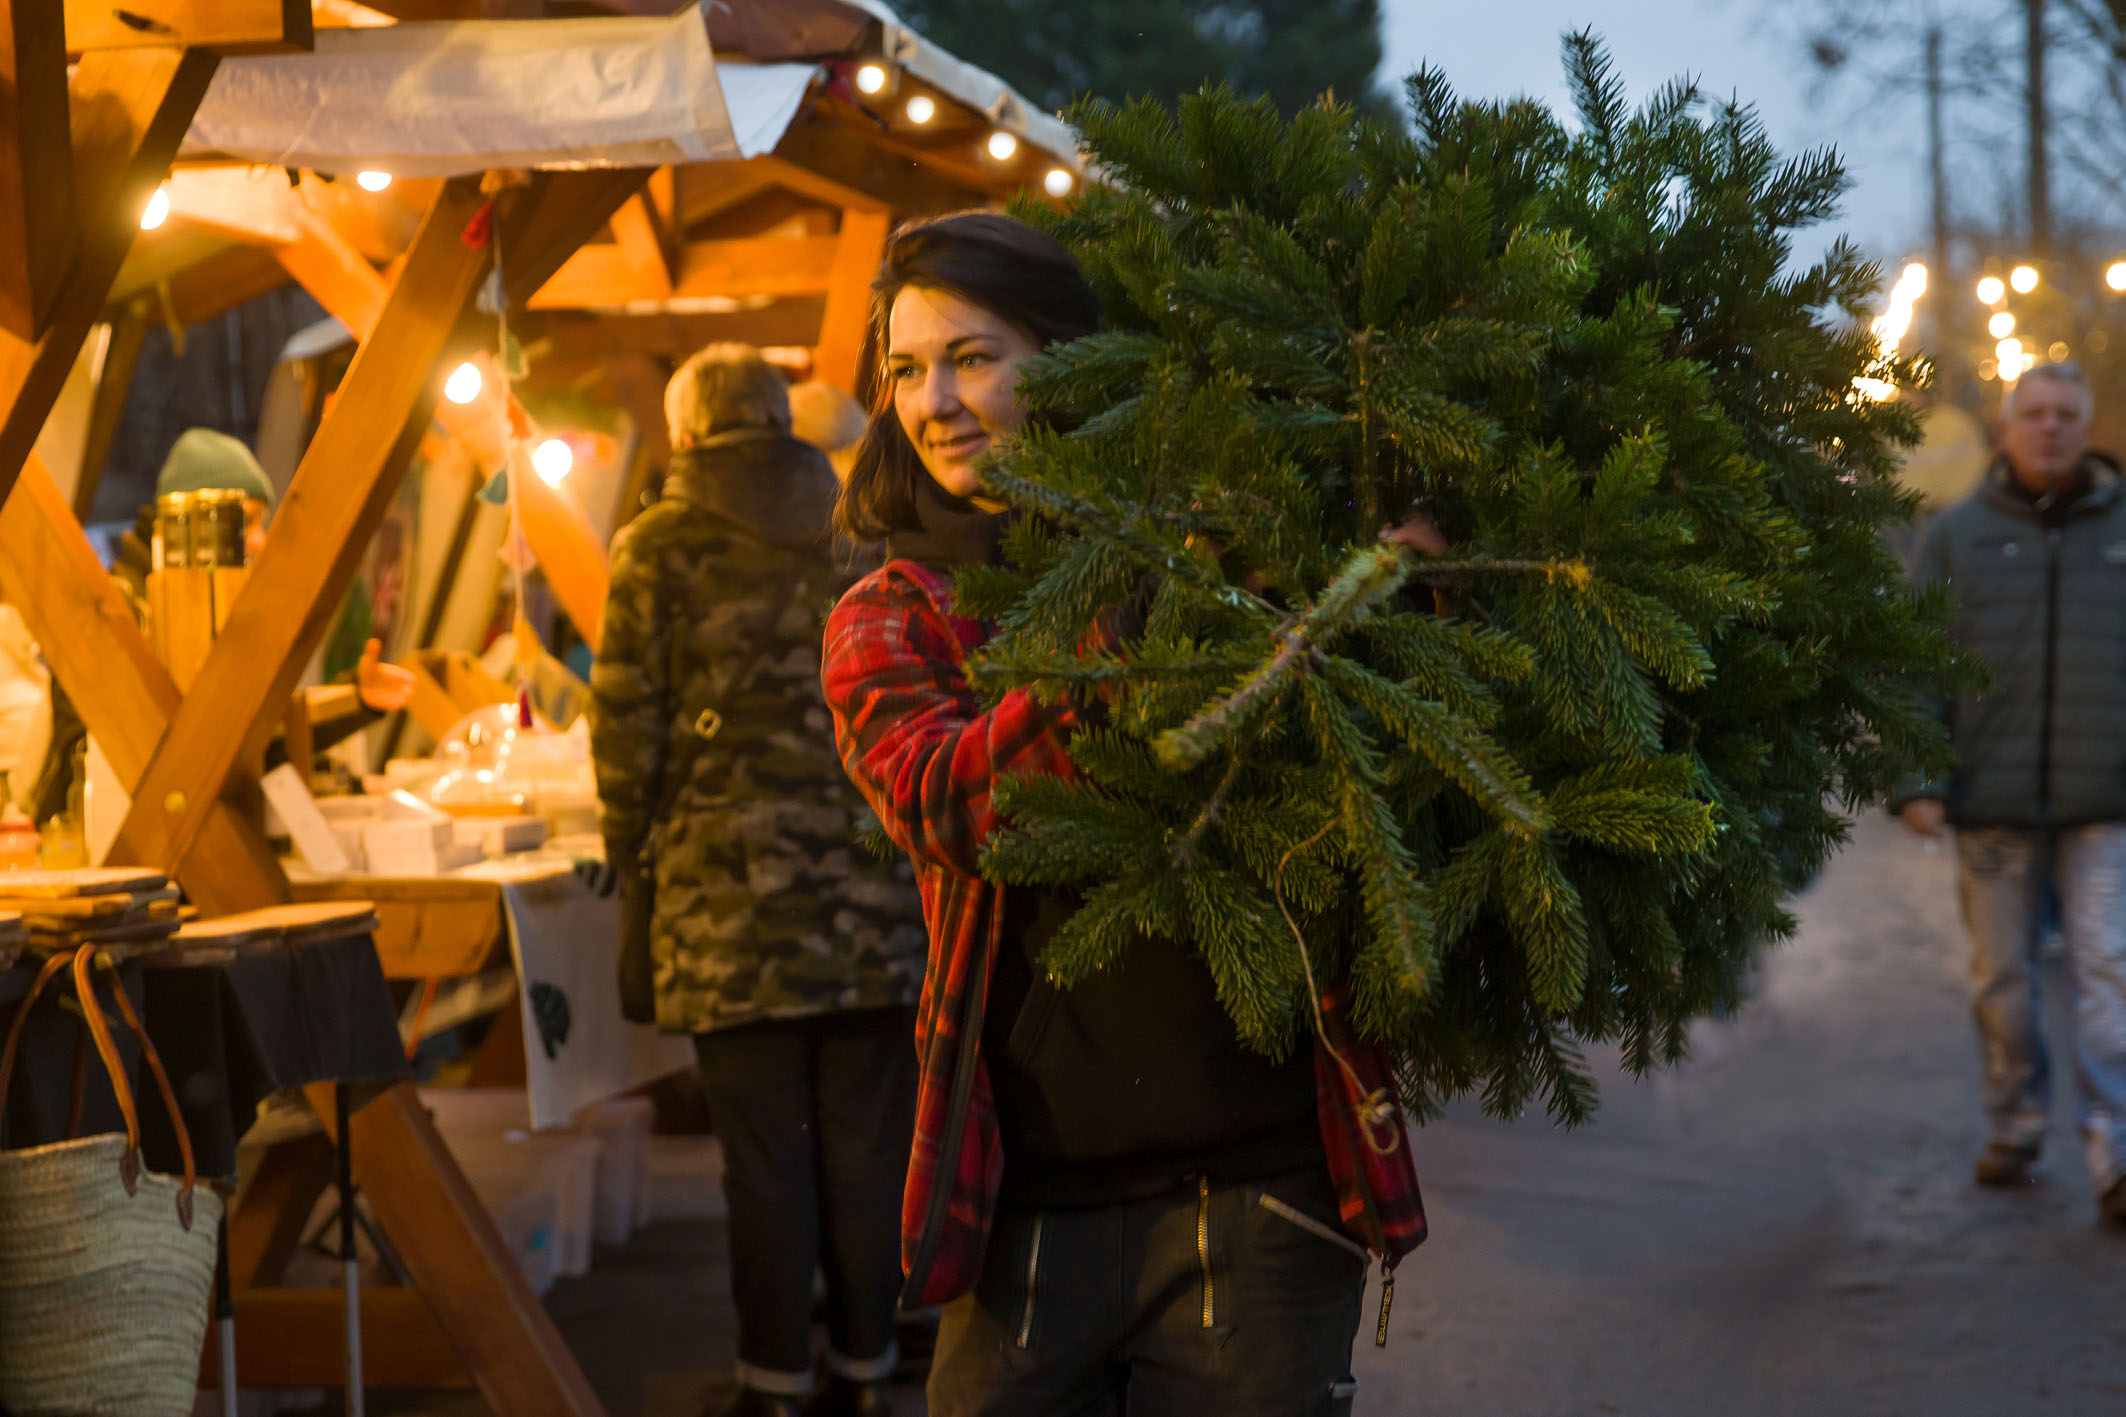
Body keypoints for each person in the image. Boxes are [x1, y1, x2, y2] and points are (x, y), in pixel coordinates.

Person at [821, 213, 1422, 1417]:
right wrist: (1130, 616)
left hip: (1261, 1185)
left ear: (1071, 358)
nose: (932, 399)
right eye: (903, 369)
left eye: (973, 356)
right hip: (1024, 1201)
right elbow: (951, 805)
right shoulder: (894, 614)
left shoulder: (1225, 555)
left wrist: (1396, 559)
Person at [590, 343, 926, 1417]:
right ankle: (868, 1374)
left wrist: (626, 847)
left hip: (725, 913)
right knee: (869, 1150)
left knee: (764, 1162)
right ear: (784, 423)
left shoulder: (654, 549)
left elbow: (624, 734)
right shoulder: (862, 536)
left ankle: (773, 1384)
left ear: (686, 432)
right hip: (875, 903)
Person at [1895, 361, 2126, 1226]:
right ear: (2006, 427)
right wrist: (1917, 777)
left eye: (2067, 413)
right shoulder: (1954, 535)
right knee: (2005, 980)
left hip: (2106, 802)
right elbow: (1913, 663)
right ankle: (2016, 1121)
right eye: (2034, 413)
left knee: (2110, 975)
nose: (2050, 427)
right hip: (1989, 803)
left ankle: (2116, 1153)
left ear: (2087, 427)